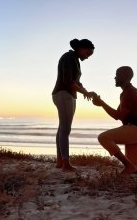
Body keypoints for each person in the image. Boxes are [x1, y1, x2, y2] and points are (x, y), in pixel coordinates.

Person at [52, 38, 97, 172]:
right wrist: (86, 92)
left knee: (62, 129)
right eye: (88, 53)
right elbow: (68, 81)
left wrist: (85, 91)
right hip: (63, 94)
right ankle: (66, 163)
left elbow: (76, 81)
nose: (88, 57)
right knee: (65, 129)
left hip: (67, 95)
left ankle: (60, 161)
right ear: (81, 48)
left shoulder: (74, 60)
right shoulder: (68, 57)